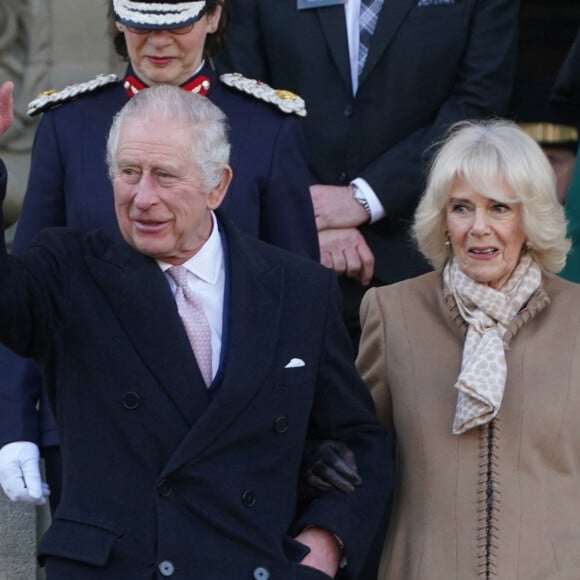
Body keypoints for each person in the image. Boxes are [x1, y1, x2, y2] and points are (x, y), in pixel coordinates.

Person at [0, 81, 393, 579]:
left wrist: (325, 542)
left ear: (218, 185)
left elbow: (358, 440)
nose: (143, 197)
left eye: (164, 175)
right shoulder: (68, 270)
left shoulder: (298, 289)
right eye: (128, 173)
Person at [0, 0, 319, 512]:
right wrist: (15, 422)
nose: (159, 42)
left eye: (178, 25)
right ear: (119, 21)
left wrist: (307, 437)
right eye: (142, 26)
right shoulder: (71, 123)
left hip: (227, 433)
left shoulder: (265, 126)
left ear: (214, 17)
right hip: (91, 426)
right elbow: (24, 289)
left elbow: (300, 300)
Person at [218, 0, 519, 349]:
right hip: (287, 265)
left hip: (421, 262)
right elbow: (238, 97)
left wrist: (366, 197)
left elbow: (479, 104)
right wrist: (304, 213)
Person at [356, 118, 580, 578]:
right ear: (442, 219)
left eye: (499, 208)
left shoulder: (576, 316)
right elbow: (359, 451)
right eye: (462, 208)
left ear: (530, 218)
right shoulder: (392, 311)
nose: (479, 227)